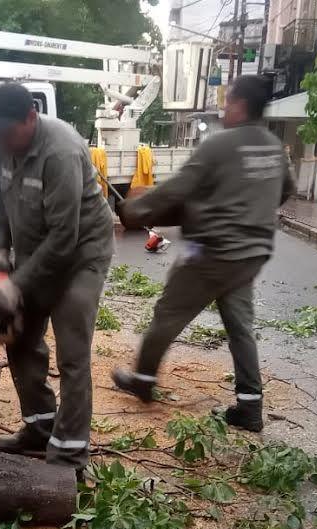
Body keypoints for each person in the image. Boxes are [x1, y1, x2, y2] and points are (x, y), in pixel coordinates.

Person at [110, 75, 295, 433]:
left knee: (168, 312)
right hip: (250, 254)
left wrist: (134, 211)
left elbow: (176, 191)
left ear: (239, 105)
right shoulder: (274, 146)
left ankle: (144, 379)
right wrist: (254, 213)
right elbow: (285, 188)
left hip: (210, 252)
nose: (225, 108)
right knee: (240, 324)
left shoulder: (220, 145)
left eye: (228, 102)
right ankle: (250, 406)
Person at [0, 82, 114, 469]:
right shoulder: (5, 144)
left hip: (80, 254)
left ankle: (70, 451)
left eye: (5, 132)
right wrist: (1, 256)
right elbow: (1, 201)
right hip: (39, 249)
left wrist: (15, 286)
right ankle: (39, 426)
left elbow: (64, 238)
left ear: (31, 117)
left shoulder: (62, 151)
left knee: (72, 350)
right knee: (16, 336)